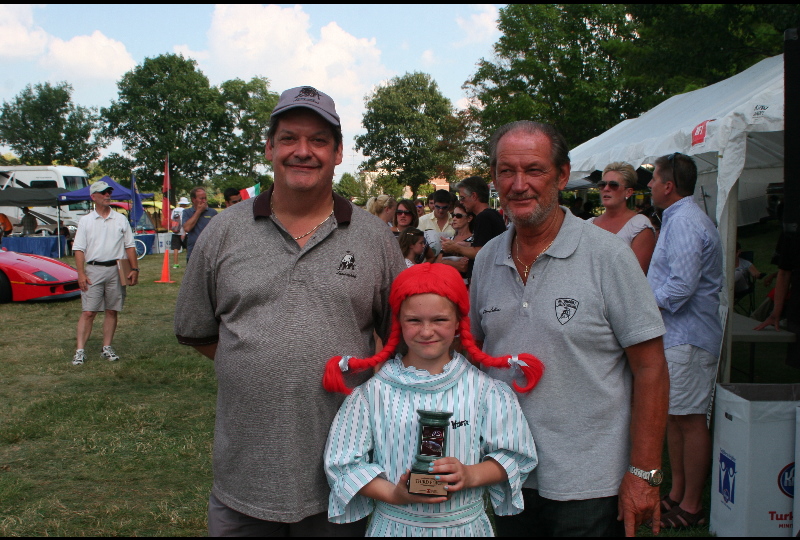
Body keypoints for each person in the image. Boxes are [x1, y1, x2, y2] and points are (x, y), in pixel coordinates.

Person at [173, 85, 405, 536]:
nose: (303, 151)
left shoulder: (375, 238)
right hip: (244, 478)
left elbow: (403, 336)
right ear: (269, 148)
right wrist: (256, 362)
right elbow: (197, 330)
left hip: (346, 479)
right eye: (289, 138)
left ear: (338, 153)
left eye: (318, 140)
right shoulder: (223, 231)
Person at [470, 120, 669, 536]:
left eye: (534, 170)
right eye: (507, 171)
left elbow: (651, 368)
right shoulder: (488, 258)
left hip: (590, 486)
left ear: (562, 175)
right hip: (507, 476)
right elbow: (474, 354)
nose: (519, 184)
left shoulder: (609, 256)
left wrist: (645, 472)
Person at [322, 262, 541, 536]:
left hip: (464, 529)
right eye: (414, 320)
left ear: (459, 322)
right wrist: (394, 493)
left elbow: (515, 455)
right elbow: (344, 465)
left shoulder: (486, 391)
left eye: (439, 320)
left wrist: (470, 474)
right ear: (399, 323)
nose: (426, 332)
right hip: (395, 528)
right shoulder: (372, 394)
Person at [647, 152, 723, 530]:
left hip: (689, 338)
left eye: (653, 178)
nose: (648, 185)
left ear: (669, 185)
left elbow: (680, 286)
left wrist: (642, 306)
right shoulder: (678, 218)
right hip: (679, 336)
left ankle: (692, 504)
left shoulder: (686, 222)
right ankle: (678, 492)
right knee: (675, 416)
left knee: (690, 419)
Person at [71, 181, 140, 366]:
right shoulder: (86, 221)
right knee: (88, 312)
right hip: (93, 269)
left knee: (112, 310)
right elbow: (78, 249)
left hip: (116, 269)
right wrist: (80, 273)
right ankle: (80, 351)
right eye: (103, 193)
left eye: (109, 192)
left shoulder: (120, 219)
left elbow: (130, 246)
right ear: (93, 197)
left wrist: (134, 269)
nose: (107, 195)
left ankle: (107, 347)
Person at [589, 162, 656, 273]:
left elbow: (636, 276)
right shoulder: (588, 224)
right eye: (602, 184)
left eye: (613, 185)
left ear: (628, 192)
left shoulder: (639, 225)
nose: (606, 188)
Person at [442, 176, 505, 269]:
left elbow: (481, 253)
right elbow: (488, 246)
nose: (461, 202)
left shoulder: (483, 217)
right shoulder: (493, 214)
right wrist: (468, 245)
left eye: (462, 198)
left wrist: (455, 248)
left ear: (474, 196)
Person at [437, 200, 473, 282]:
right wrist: (454, 264)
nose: (454, 218)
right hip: (446, 283)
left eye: (458, 216)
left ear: (469, 218)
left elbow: (464, 267)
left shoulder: (473, 240)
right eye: (453, 215)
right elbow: (437, 263)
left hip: (463, 285)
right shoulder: (449, 239)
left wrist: (445, 262)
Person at [181, 187, 217, 262]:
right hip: (193, 253)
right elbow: (187, 228)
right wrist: (198, 211)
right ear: (193, 200)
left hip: (210, 253)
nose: (204, 201)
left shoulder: (213, 212)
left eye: (205, 198)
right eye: (201, 198)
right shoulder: (187, 212)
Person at [170, 197, 190, 268]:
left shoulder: (174, 210)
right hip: (183, 232)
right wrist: (184, 232)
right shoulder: (185, 211)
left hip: (175, 231)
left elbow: (171, 219)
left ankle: (176, 264)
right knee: (188, 248)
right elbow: (184, 222)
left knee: (176, 248)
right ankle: (189, 263)